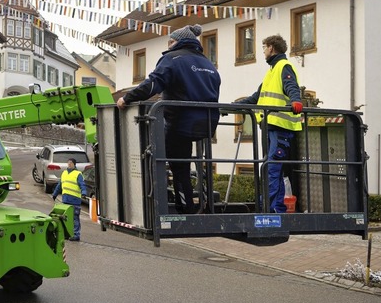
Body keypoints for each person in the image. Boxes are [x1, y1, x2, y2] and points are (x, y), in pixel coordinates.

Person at [116, 24, 221, 214]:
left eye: (170, 41)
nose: (168, 45)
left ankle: (177, 207)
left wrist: (127, 98)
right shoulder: (207, 63)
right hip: (207, 123)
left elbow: (153, 84)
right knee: (184, 162)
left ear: (176, 41)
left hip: (180, 122)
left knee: (157, 157)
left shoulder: (172, 59)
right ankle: (189, 204)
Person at [235, 34, 302, 213]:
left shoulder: (283, 67)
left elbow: (292, 87)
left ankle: (271, 210)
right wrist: (232, 106)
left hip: (281, 127)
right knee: (270, 168)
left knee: (272, 168)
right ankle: (272, 207)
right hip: (270, 127)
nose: (263, 51)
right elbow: (256, 98)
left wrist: (296, 101)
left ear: (271, 48)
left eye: (264, 47)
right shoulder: (271, 71)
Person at [52, 158, 87, 241]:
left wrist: (84, 193)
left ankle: (76, 234)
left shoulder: (78, 174)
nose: (69, 164)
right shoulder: (64, 173)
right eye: (68, 163)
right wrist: (55, 194)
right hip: (65, 200)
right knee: (66, 218)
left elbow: (82, 185)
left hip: (75, 200)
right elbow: (60, 185)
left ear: (74, 164)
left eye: (71, 163)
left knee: (75, 218)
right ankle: (68, 234)